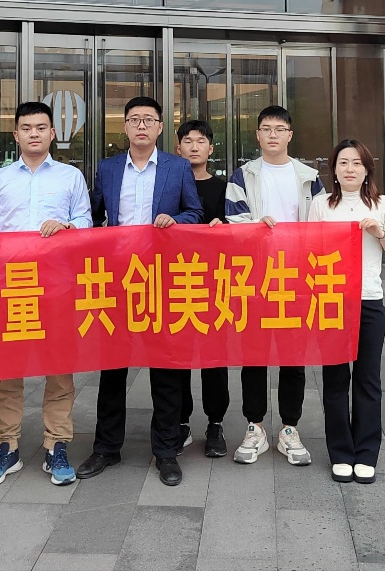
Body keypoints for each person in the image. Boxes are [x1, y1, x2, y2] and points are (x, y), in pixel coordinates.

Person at [79, 96, 203, 487]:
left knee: (165, 368)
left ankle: (166, 450)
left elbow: (195, 213)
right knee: (112, 367)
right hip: (117, 279)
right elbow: (93, 217)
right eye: (135, 120)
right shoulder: (108, 168)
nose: (142, 126)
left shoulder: (177, 167)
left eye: (149, 119)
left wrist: (176, 220)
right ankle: (106, 447)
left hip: (161, 279)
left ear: (161, 127)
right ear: (126, 127)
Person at [0, 101, 91, 488]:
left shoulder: (71, 177)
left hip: (57, 285)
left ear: (52, 133)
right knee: (6, 372)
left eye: (41, 127)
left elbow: (87, 223)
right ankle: (5, 447)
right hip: (11, 286)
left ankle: (57, 445)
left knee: (59, 370)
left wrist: (68, 226)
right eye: (27, 128)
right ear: (16, 135)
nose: (34, 134)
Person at [222, 105, 325, 466]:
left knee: (293, 358)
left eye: (280, 129)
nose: (273, 135)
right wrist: (255, 228)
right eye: (266, 129)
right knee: (254, 356)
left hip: (296, 279)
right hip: (255, 278)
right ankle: (255, 427)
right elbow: (234, 223)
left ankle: (289, 429)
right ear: (258, 135)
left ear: (290, 135)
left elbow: (322, 224)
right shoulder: (243, 175)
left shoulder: (309, 177)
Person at [308, 140, 385, 484]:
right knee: (335, 380)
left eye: (357, 163)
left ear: (367, 170)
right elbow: (309, 250)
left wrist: (379, 233)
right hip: (332, 302)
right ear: (333, 169)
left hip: (369, 301)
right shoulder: (321, 205)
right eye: (343, 163)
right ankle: (340, 452)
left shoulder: (382, 204)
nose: (350, 169)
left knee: (368, 378)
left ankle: (366, 452)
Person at [174, 119, 230, 457]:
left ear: (210, 147)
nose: (194, 147)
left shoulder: (223, 187)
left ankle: (215, 423)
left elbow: (236, 229)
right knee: (177, 357)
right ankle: (181, 421)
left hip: (213, 281)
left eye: (200, 141)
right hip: (176, 280)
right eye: (188, 141)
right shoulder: (169, 184)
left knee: (214, 358)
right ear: (178, 147)